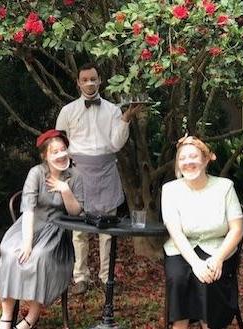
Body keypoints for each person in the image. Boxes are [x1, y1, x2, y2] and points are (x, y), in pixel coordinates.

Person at [55, 63, 144, 294]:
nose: (89, 83)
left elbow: (116, 144)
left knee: (107, 230)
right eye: (85, 79)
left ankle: (107, 277)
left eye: (93, 79)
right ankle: (80, 277)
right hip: (79, 171)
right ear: (78, 82)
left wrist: (125, 119)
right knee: (79, 230)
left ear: (100, 80)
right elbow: (60, 144)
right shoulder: (67, 111)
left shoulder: (114, 110)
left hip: (106, 169)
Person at [0, 129, 84, 329]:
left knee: (39, 257)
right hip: (30, 225)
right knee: (11, 252)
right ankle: (7, 316)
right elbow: (27, 209)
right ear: (45, 155)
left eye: (63, 150)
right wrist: (27, 243)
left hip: (57, 230)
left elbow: (75, 213)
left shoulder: (75, 175)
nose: (61, 155)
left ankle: (31, 317)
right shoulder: (36, 173)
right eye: (55, 152)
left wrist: (65, 189)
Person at [162, 135, 243, 329]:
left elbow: (236, 229)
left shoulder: (225, 187)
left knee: (210, 280)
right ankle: (179, 326)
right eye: (182, 158)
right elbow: (176, 232)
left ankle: (210, 324)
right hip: (181, 249)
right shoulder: (170, 190)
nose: (188, 162)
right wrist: (196, 264)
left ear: (206, 160)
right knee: (178, 277)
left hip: (217, 248)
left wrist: (217, 259)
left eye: (193, 157)